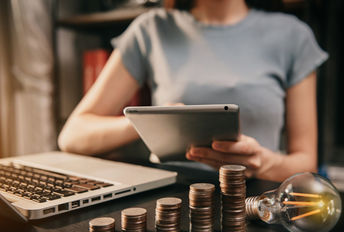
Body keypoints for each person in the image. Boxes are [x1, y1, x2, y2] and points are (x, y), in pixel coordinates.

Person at [58, 0, 328, 182]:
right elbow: (73, 136)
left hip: (257, 201)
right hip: (171, 198)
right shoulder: (152, 29)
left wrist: (263, 163)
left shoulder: (293, 35)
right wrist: (152, 122)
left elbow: (306, 164)